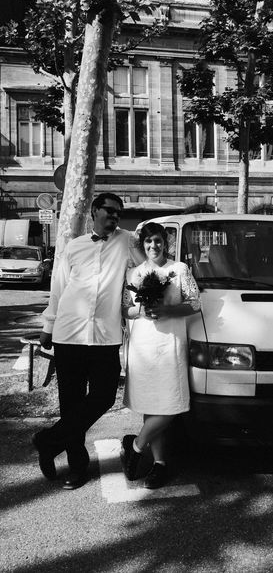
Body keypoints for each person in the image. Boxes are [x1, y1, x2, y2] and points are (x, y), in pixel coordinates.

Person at [33, 192, 140, 490]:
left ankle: (48, 441)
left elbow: (146, 265)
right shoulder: (74, 246)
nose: (115, 216)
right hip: (69, 334)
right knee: (71, 403)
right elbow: (58, 289)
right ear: (94, 211)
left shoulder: (127, 241)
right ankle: (77, 467)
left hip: (105, 337)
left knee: (104, 397)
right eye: (110, 210)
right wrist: (48, 326)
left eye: (119, 212)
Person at [121, 222, 201, 489]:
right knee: (151, 405)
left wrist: (168, 311)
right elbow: (125, 309)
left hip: (170, 345)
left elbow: (195, 304)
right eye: (148, 242)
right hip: (144, 346)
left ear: (165, 243)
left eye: (157, 241)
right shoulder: (135, 273)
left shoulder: (179, 270)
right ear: (143, 245)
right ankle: (159, 463)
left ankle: (136, 446)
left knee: (171, 404)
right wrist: (141, 311)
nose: (153, 246)